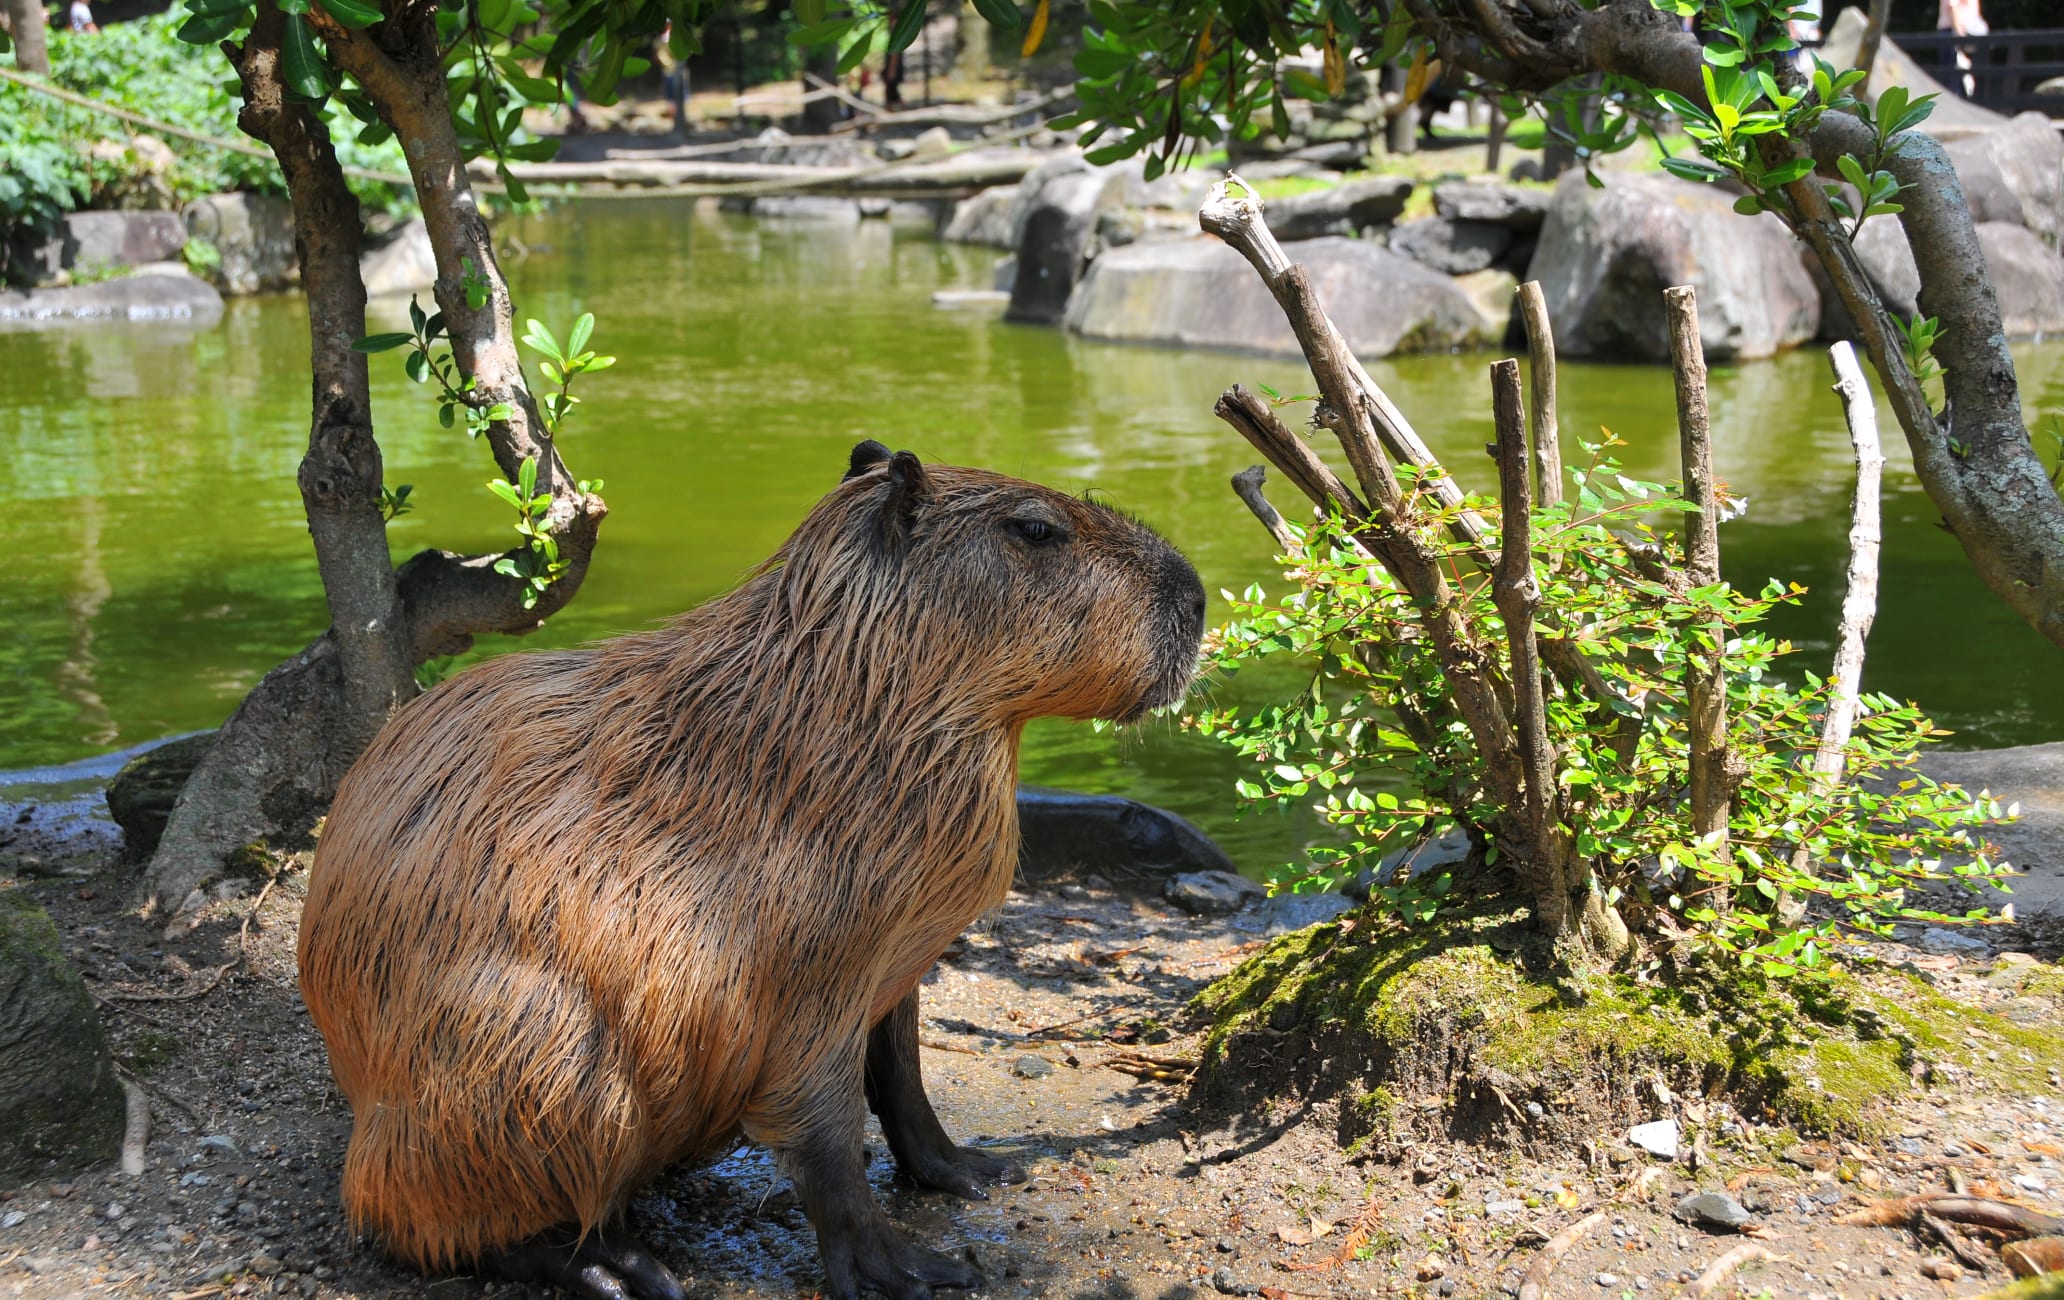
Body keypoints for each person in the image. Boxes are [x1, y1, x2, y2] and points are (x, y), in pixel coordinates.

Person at [1939, 0, 1988, 98]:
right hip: (1955, 33)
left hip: (1968, 34)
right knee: (1954, 83)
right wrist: (1960, 38)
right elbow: (1952, 8)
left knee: (1967, 81)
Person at [656, 20, 689, 136]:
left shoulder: (677, 37)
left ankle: (679, 120)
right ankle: (674, 119)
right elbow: (662, 56)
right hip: (670, 72)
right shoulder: (663, 40)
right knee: (671, 96)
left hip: (678, 71)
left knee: (679, 96)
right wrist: (671, 65)